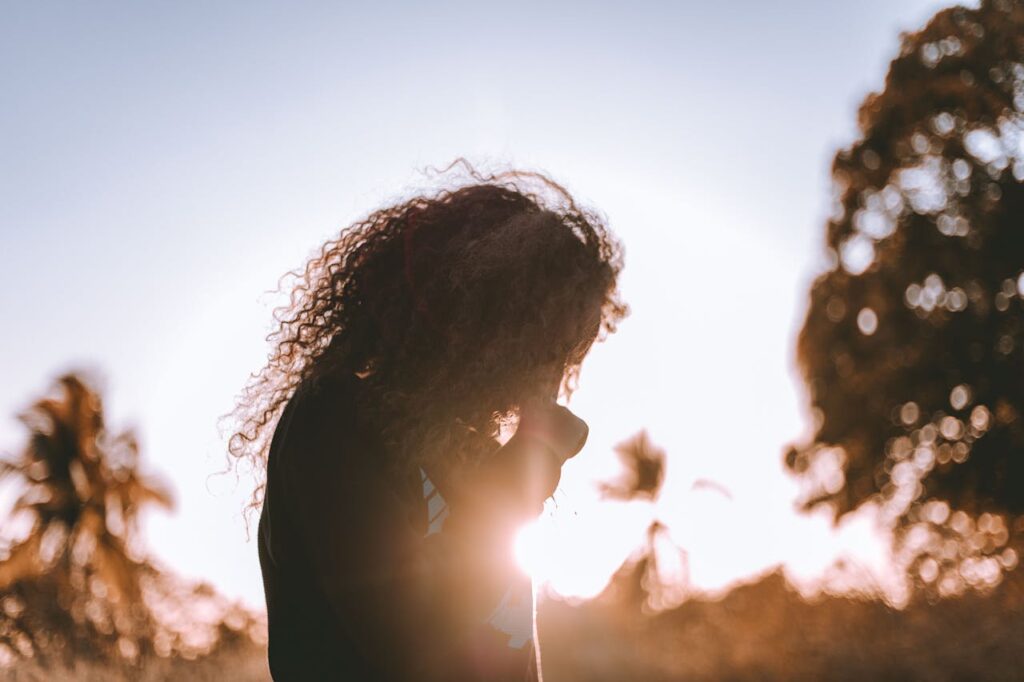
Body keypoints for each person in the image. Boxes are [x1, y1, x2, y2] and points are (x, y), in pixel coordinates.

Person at [227, 161, 627, 680]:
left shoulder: (467, 447)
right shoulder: (332, 421)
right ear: (480, 317)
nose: (551, 375)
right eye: (544, 346)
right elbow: (416, 644)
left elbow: (507, 650)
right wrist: (533, 459)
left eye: (563, 354)